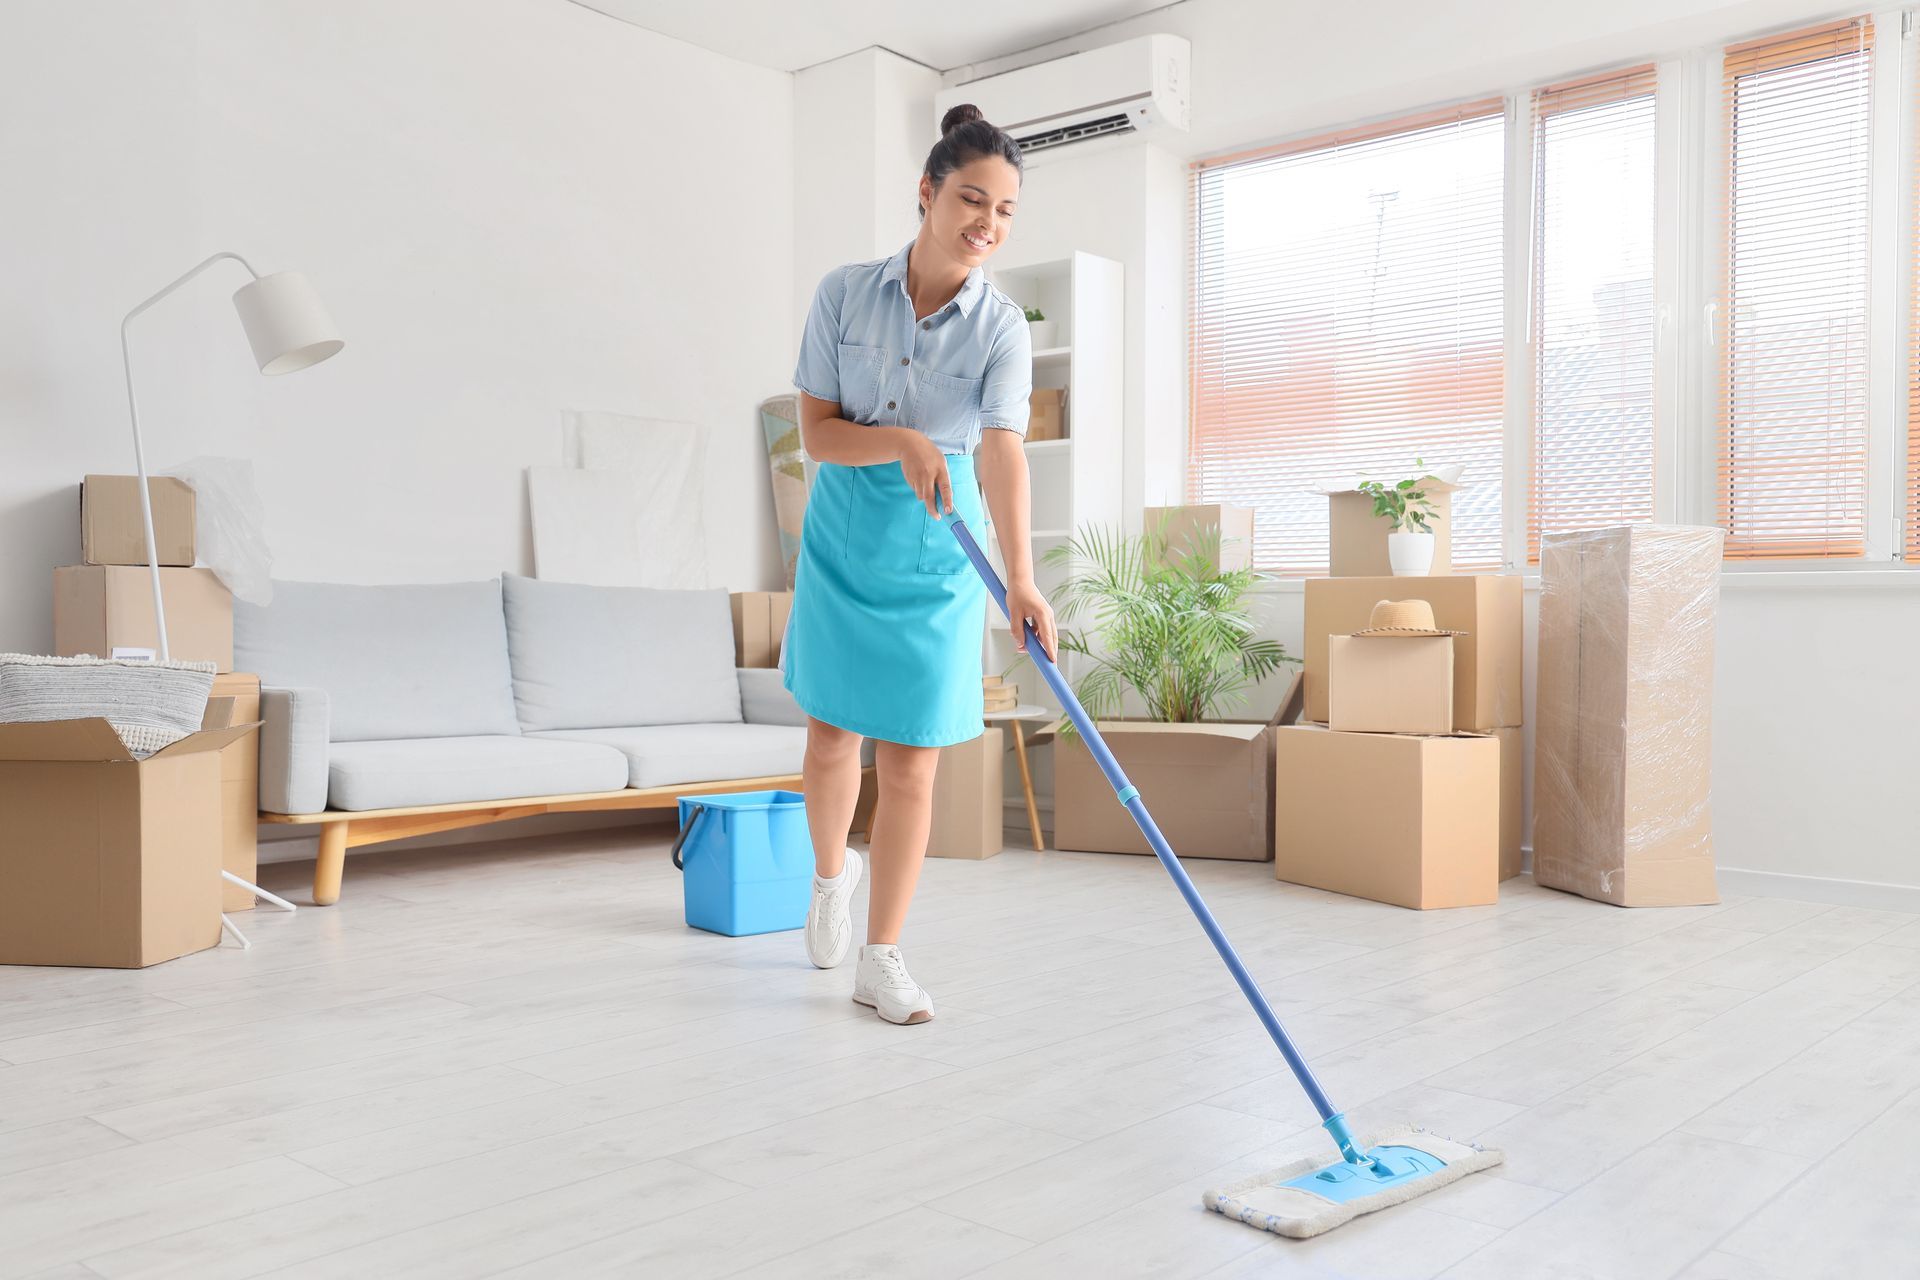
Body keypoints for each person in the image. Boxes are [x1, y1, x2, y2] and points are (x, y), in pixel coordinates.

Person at [779, 103, 1058, 1025]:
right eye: (974, 198)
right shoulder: (843, 294)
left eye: (1007, 210)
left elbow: (1006, 453)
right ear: (929, 192)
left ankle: (883, 955)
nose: (989, 222)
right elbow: (817, 435)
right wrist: (900, 438)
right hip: (847, 534)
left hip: (943, 546)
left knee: (914, 763)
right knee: (830, 740)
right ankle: (830, 882)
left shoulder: (1002, 328)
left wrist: (1020, 575)